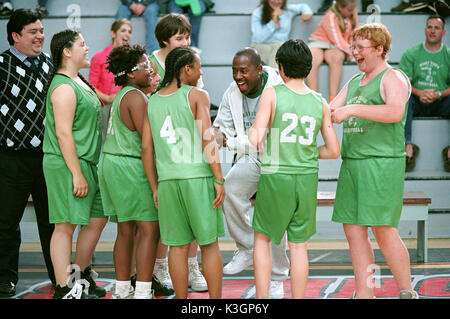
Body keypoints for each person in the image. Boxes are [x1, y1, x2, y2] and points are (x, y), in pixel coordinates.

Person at [330, 23, 419, 299]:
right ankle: (364, 292)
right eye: (352, 47)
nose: (354, 52)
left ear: (379, 49)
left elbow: (394, 112)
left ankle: (406, 291)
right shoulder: (354, 81)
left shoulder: (393, 77)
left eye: (360, 47)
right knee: (354, 232)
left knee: (384, 231)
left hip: (381, 164)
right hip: (353, 164)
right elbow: (331, 109)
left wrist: (352, 109)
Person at [249, 39, 340, 299]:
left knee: (263, 240)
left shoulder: (273, 93)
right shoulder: (319, 101)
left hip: (277, 176)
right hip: (307, 177)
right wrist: (307, 152)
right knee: (299, 246)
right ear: (309, 67)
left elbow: (255, 138)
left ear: (280, 68)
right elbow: (334, 150)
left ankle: (262, 300)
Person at [142, 46, 225, 298]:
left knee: (176, 248)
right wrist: (219, 179)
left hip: (168, 182)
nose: (201, 72)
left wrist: (155, 187)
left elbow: (147, 149)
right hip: (198, 179)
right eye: (198, 67)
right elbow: (207, 140)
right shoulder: (197, 95)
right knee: (209, 246)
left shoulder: (153, 100)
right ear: (186, 69)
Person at [212, 47, 290, 298]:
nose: (237, 76)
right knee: (231, 186)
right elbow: (218, 129)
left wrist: (231, 141)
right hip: (252, 158)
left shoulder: (277, 89)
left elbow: (268, 139)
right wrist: (219, 135)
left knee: (272, 217)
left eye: (243, 71)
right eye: (234, 71)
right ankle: (246, 246)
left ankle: (277, 277)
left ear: (259, 70)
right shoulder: (231, 92)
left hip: (279, 159)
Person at [42, 29, 108, 299]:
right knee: (65, 225)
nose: (87, 47)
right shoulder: (63, 87)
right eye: (82, 44)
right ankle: (63, 287)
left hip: (87, 162)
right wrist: (77, 173)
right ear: (66, 51)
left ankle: (79, 276)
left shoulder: (78, 81)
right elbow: (63, 133)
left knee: (97, 218)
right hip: (67, 164)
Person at [150, 12, 208, 293]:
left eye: (187, 36)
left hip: (189, 149)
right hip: (163, 146)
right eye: (179, 37)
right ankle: (160, 265)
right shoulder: (151, 64)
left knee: (195, 217)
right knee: (166, 219)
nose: (185, 41)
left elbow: (200, 104)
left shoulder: (191, 63)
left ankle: (192, 264)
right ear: (164, 40)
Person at [0, 8, 55, 298]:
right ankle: (5, 279)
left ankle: (59, 277)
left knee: (53, 222)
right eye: (33, 32)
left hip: (46, 157)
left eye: (41, 31)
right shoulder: (0, 64)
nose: (40, 36)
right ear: (16, 35)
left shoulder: (49, 63)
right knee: (7, 223)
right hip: (11, 158)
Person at [98, 44, 160, 299]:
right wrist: (155, 184)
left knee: (125, 230)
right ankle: (143, 290)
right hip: (129, 164)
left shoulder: (124, 93)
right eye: (145, 65)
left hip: (112, 162)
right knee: (149, 229)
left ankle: (123, 289)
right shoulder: (136, 97)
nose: (150, 69)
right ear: (131, 73)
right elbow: (149, 143)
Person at [398, 15, 449, 172]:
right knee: (403, 97)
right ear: (425, 30)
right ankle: (408, 149)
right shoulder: (411, 53)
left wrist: (439, 94)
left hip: (442, 101)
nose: (432, 31)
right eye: (430, 27)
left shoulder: (448, 54)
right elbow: (403, 82)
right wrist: (420, 93)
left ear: (444, 32)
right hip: (417, 102)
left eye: (437, 28)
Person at [89, 18, 132, 144]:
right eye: (123, 30)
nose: (127, 34)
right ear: (113, 33)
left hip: (124, 104)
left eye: (129, 32)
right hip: (104, 105)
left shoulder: (132, 58)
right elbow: (91, 86)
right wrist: (107, 99)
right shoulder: (99, 57)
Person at [306, 0, 358, 102]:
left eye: (353, 9)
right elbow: (337, 39)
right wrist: (352, 52)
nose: (351, 12)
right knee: (313, 58)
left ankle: (333, 99)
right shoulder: (330, 16)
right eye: (349, 10)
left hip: (335, 45)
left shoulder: (352, 12)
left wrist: (353, 48)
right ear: (340, 8)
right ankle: (313, 99)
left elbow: (353, 34)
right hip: (320, 41)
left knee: (336, 58)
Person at [250, 0, 312, 68]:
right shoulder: (257, 12)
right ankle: (276, 75)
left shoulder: (287, 10)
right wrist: (273, 21)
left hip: (280, 47)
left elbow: (303, 6)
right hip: (261, 45)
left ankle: (274, 75)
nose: (276, 1)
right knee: (280, 50)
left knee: (281, 48)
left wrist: (307, 13)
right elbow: (257, 38)